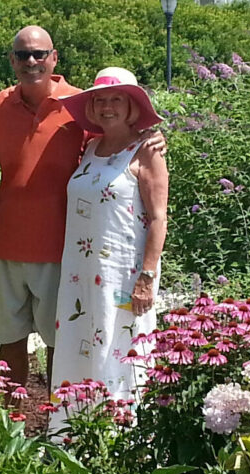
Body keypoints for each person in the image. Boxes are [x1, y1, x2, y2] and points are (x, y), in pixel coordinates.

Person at [0, 26, 84, 391]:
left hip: (61, 247)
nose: (32, 62)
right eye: (23, 55)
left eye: (39, 54)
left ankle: (58, 426)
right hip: (4, 245)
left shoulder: (81, 106)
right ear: (12, 60)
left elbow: (115, 148)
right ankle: (11, 428)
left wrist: (150, 139)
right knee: (10, 343)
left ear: (54, 58)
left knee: (60, 343)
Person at [51, 67, 169, 403]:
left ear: (132, 106)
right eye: (100, 99)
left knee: (120, 348)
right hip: (82, 276)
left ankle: (121, 435)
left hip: (125, 276)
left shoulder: (146, 151)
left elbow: (159, 218)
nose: (108, 106)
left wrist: (147, 277)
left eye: (117, 99)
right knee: (80, 343)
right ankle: (75, 432)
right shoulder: (91, 149)